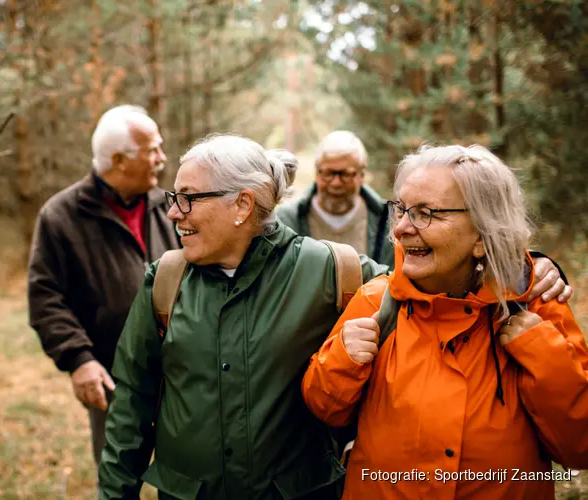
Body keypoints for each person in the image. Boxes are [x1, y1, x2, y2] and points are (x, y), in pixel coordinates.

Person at [98, 136, 570, 500]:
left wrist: (529, 266)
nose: (175, 213)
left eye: (188, 198)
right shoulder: (165, 281)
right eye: (175, 199)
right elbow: (132, 401)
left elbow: (433, 279)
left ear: (242, 204)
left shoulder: (331, 270)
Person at [302, 145, 588, 499]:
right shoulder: (377, 303)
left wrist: (543, 354)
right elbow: (325, 410)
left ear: (482, 237)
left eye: (426, 214)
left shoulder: (536, 308)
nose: (403, 228)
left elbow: (579, 448)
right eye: (402, 210)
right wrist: (343, 359)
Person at [27, 105, 180, 473]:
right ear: (119, 160)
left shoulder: (169, 207)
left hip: (183, 371)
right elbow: (45, 297)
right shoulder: (61, 216)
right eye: (153, 150)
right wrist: (79, 359)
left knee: (186, 478)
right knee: (118, 477)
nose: (162, 158)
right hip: (114, 378)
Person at [276, 130, 394, 267]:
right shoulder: (288, 220)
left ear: (362, 175)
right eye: (328, 173)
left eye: (346, 174)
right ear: (316, 172)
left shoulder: (388, 221)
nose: (336, 183)